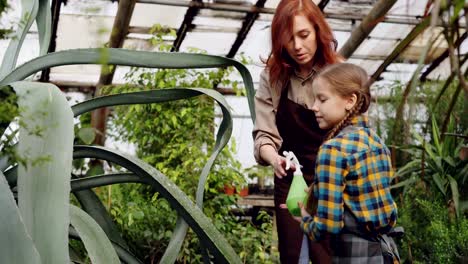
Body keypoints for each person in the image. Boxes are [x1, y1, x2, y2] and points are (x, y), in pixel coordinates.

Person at [252, 0, 342, 262]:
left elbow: (357, 133)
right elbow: (264, 135)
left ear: (318, 31)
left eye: (304, 35)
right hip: (291, 182)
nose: (298, 47)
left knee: (328, 255)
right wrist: (274, 158)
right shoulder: (273, 77)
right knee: (294, 256)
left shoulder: (339, 71)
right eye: (289, 39)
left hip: (334, 182)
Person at [298, 63, 400, 263]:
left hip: (354, 256)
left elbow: (328, 225)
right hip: (386, 253)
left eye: (322, 99)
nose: (313, 107)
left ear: (350, 101)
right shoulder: (377, 143)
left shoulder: (333, 150)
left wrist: (304, 219)